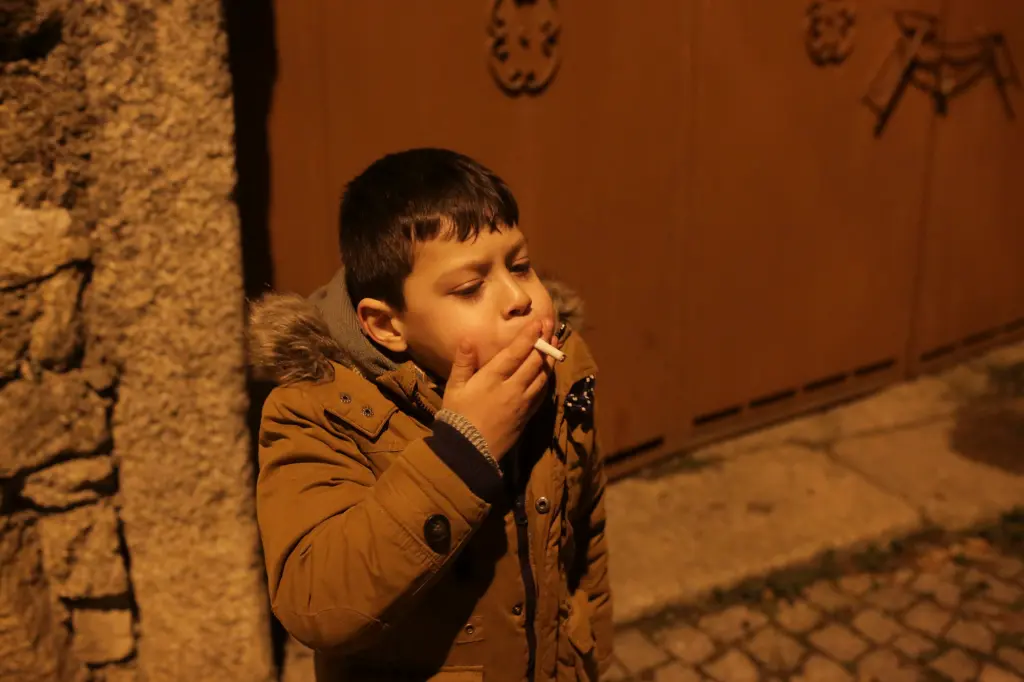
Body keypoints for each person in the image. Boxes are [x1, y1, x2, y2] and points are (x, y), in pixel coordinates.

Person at [248, 148, 612, 682]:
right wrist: (460, 455)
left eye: (519, 265)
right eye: (470, 288)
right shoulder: (314, 410)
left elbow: (586, 531)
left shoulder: (561, 363)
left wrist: (590, 656)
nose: (518, 297)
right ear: (386, 325)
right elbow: (315, 603)